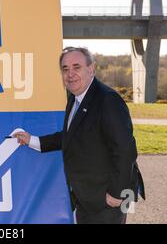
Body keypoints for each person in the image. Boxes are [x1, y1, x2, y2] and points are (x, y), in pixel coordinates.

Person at [14, 46, 145, 224]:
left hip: (108, 200)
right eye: (65, 69)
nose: (70, 74)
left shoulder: (107, 100)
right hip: (88, 198)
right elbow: (72, 136)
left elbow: (125, 150)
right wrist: (33, 141)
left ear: (91, 69)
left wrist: (116, 193)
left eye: (77, 67)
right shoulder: (76, 98)